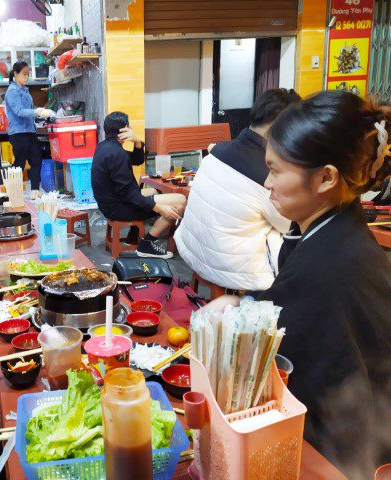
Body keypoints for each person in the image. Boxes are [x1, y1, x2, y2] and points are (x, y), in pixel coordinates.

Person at [201, 90, 391, 478]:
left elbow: (298, 359)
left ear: (325, 178)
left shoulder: (331, 265)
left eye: (276, 170)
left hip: (344, 454)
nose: (267, 181)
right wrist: (242, 303)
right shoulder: (335, 228)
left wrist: (242, 308)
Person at [175, 89, 301, 291]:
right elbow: (288, 225)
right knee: (297, 239)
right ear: (283, 125)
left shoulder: (216, 151)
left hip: (192, 250)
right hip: (229, 268)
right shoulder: (264, 174)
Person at [91, 111, 186, 259]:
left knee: (154, 190)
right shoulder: (117, 153)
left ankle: (133, 235)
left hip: (111, 202)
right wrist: (158, 208)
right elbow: (128, 194)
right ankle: (147, 244)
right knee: (180, 200)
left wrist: (137, 142)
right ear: (124, 130)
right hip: (118, 207)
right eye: (129, 127)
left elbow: (137, 160)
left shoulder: (105, 147)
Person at [4, 61, 54, 194]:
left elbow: (30, 112)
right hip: (18, 133)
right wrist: (36, 111)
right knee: (19, 163)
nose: (26, 77)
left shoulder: (26, 91)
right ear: (15, 74)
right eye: (24, 74)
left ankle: (35, 191)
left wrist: (42, 114)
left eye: (28, 74)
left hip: (30, 131)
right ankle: (12, 192)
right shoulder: (12, 91)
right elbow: (20, 112)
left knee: (36, 159)